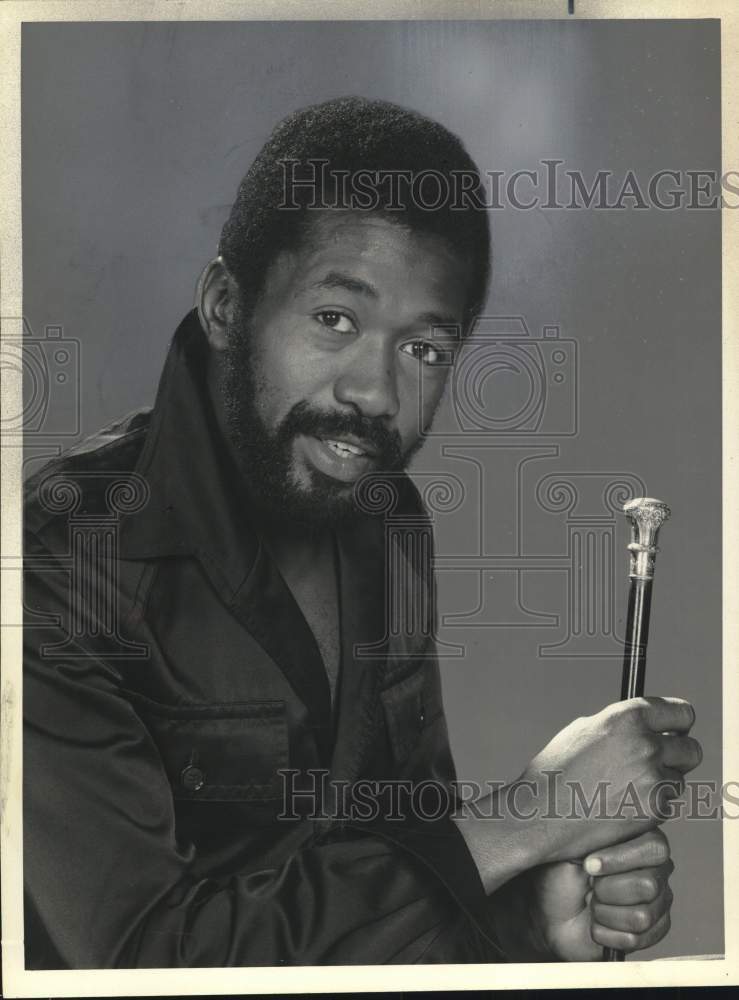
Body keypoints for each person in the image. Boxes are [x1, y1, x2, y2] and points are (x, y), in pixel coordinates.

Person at [23, 96, 702, 968]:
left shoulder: (387, 520)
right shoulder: (57, 563)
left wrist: (529, 926)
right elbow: (140, 959)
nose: (374, 393)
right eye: (334, 320)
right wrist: (529, 817)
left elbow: (404, 883)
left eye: (423, 349)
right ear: (227, 305)